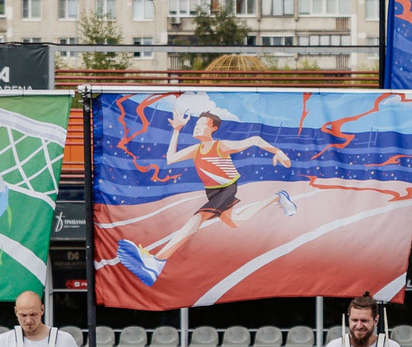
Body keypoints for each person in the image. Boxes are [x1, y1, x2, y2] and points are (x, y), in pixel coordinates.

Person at [114, 105, 297, 287]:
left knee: (198, 218)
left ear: (213, 128)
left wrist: (277, 151)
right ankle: (278, 197)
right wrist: (177, 130)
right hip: (212, 191)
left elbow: (255, 139)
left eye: (203, 125)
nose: (197, 127)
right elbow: (171, 158)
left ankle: (157, 262)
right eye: (197, 124)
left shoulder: (220, 146)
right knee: (235, 221)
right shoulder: (196, 149)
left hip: (226, 189)